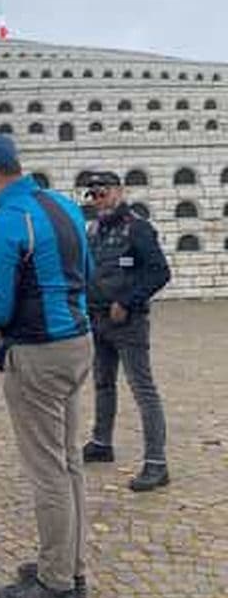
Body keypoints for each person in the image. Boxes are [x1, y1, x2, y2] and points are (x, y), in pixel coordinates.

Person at [0, 134, 92, 598]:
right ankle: (70, 565)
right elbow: (85, 273)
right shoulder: (62, 204)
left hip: (36, 353)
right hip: (77, 343)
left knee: (47, 470)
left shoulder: (5, 224)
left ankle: (55, 587)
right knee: (69, 461)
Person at [81, 171, 171, 492]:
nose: (98, 199)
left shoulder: (138, 228)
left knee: (142, 389)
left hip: (128, 322)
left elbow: (160, 272)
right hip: (97, 319)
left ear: (120, 191)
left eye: (103, 192)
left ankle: (157, 464)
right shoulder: (92, 230)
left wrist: (128, 301)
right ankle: (102, 443)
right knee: (103, 384)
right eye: (92, 195)